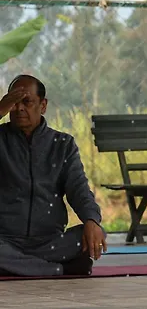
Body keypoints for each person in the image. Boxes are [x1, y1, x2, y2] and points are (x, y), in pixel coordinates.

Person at [0, 74, 106, 276]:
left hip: (49, 242)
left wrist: (92, 220)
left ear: (43, 105)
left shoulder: (63, 145)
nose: (19, 108)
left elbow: (78, 189)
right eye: (13, 102)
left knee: (91, 233)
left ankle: (19, 266)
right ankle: (58, 269)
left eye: (26, 102)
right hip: (4, 240)